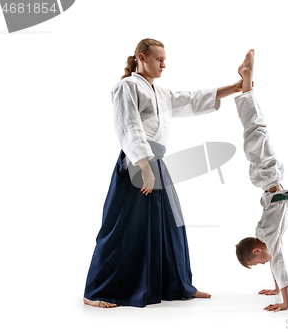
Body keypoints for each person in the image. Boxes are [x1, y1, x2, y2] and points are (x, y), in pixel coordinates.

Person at [83, 38, 244, 308]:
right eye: (159, 59)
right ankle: (96, 292)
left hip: (157, 162)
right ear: (141, 58)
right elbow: (129, 127)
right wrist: (144, 167)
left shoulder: (161, 93)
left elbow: (193, 99)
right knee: (123, 227)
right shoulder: (127, 87)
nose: (164, 65)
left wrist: (237, 86)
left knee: (171, 226)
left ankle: (180, 285)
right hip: (137, 164)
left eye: (164, 59)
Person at [234, 49, 288, 312]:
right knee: (255, 129)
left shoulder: (268, 236)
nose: (264, 263)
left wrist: (284, 302)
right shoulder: (268, 237)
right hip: (267, 176)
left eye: (258, 262)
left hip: (266, 174)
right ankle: (246, 83)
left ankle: (246, 79)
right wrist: (275, 289)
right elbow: (275, 261)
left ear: (255, 251)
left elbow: (277, 263)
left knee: (254, 128)